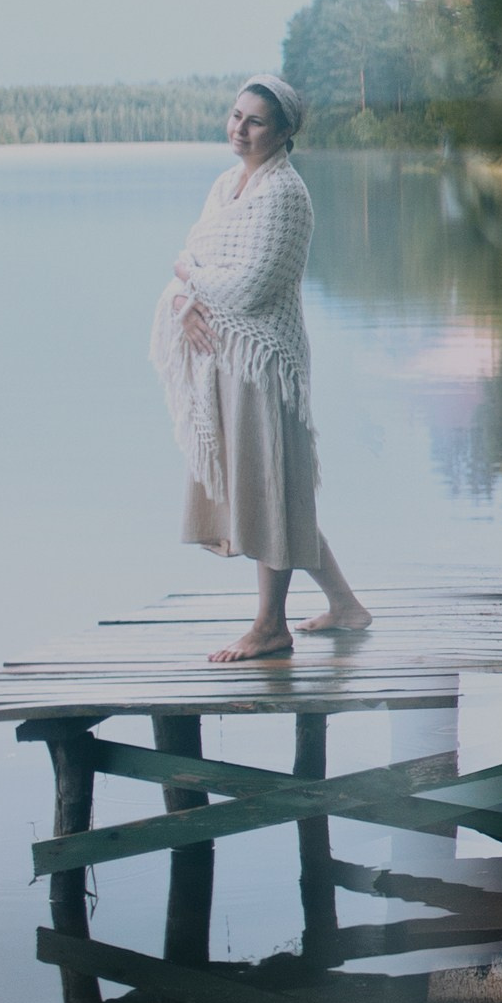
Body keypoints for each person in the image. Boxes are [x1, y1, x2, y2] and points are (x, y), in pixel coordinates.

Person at [150, 76, 370, 662]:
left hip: (261, 363)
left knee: (271, 489)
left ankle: (270, 627)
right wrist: (181, 301)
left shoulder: (285, 195)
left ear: (284, 132)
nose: (239, 129)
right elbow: (192, 260)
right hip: (220, 359)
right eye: (236, 115)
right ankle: (346, 605)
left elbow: (246, 288)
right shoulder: (227, 185)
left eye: (255, 122)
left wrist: (190, 282)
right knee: (276, 490)